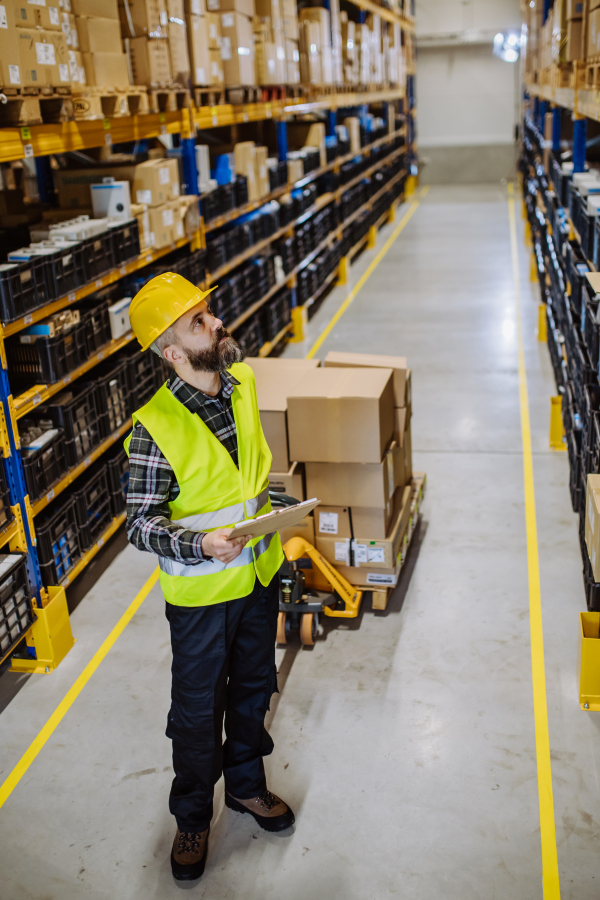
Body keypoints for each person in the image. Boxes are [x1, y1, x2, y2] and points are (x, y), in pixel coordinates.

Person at [124, 272, 293, 882]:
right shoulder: (153, 428)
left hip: (257, 577)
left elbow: (246, 480)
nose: (217, 322)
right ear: (173, 353)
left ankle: (247, 786)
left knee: (253, 689)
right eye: (198, 322)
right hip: (200, 597)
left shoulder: (241, 382)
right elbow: (139, 526)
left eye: (209, 311)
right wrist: (198, 543)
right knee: (198, 713)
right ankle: (193, 817)